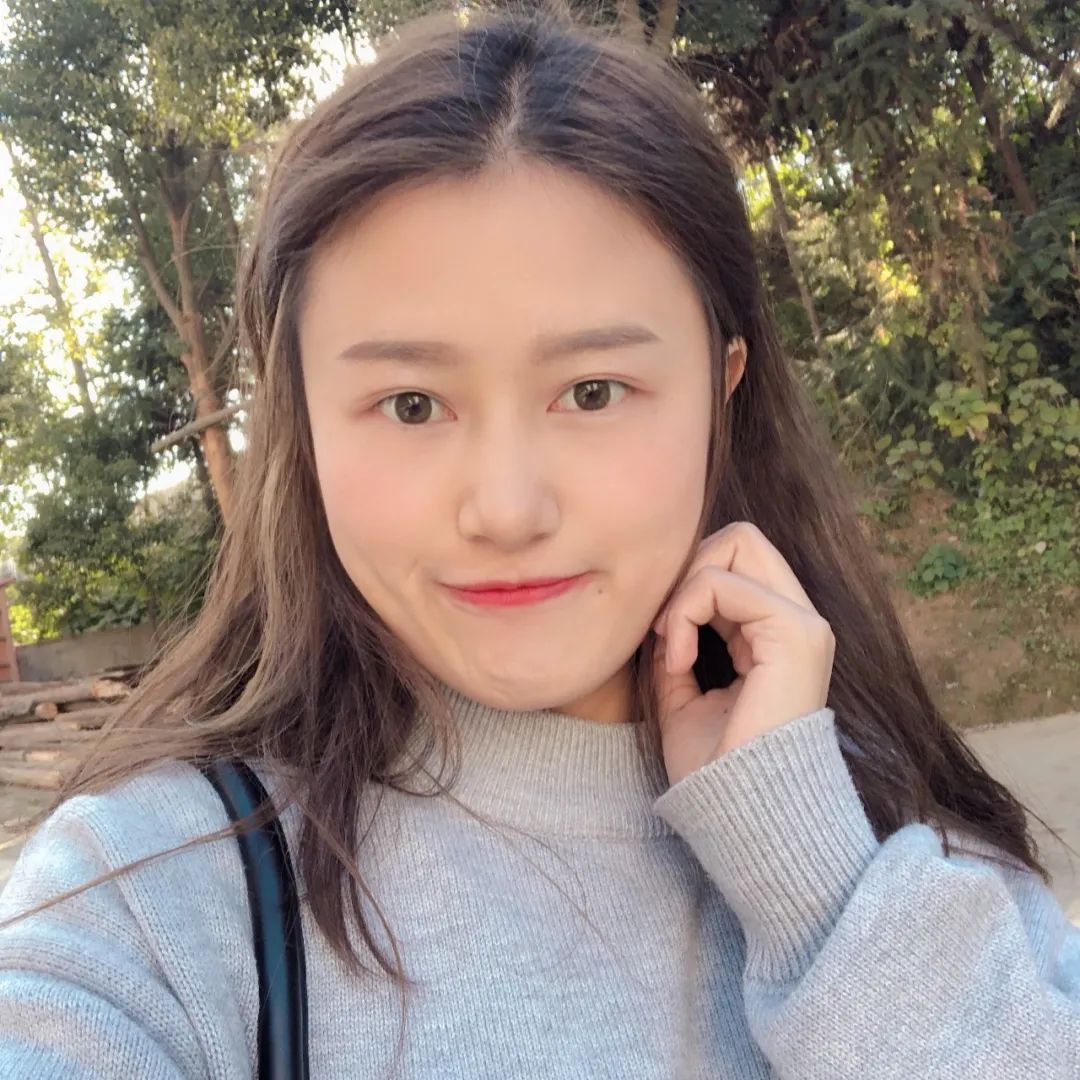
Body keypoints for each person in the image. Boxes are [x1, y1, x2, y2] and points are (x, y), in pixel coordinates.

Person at [1, 4, 1078, 1078]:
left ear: (724, 388)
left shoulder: (894, 852)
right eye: (412, 405)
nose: (507, 510)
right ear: (306, 424)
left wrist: (811, 872)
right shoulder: (151, 901)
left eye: (593, 391)